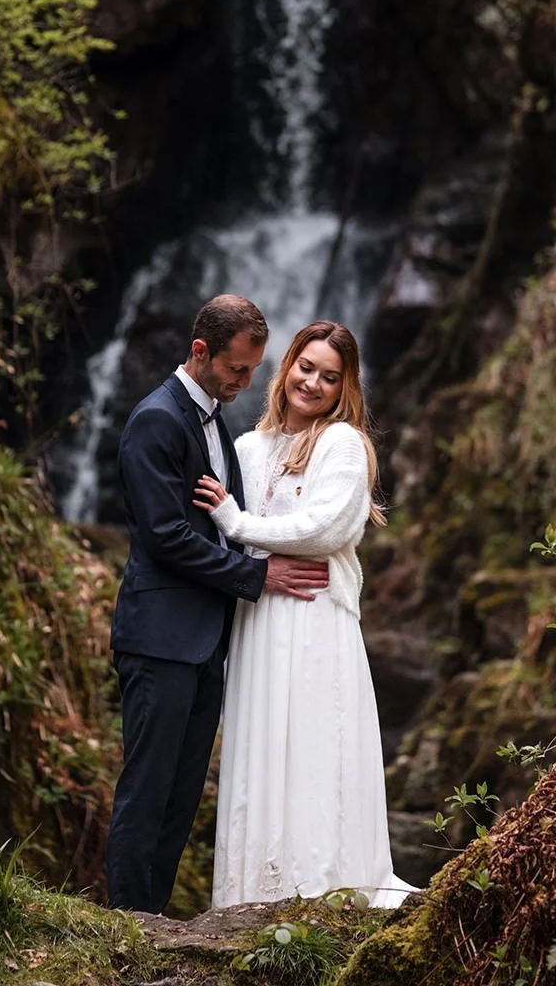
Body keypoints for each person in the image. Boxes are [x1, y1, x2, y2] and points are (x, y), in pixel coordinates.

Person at [106, 295, 330, 914]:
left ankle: (153, 920)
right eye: (236, 369)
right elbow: (166, 537)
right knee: (147, 788)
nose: (246, 382)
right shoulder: (157, 418)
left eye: (254, 370)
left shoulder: (216, 424)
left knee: (181, 795)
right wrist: (258, 577)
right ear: (200, 351)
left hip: (205, 641)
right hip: (159, 638)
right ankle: (127, 924)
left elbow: (222, 524)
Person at [195, 320, 415, 908]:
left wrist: (237, 523)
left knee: (315, 745)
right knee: (260, 746)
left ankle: (321, 890)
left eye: (329, 376)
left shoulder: (343, 444)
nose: (312, 383)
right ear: (287, 364)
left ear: (346, 387)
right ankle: (251, 897)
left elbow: (325, 529)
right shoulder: (246, 448)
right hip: (258, 619)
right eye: (305, 367)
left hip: (315, 618)